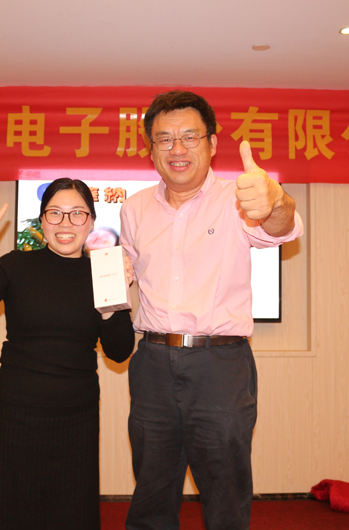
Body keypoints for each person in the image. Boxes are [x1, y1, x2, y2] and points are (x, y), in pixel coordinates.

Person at [119, 90, 304, 530]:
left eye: (189, 137)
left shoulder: (238, 200)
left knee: (225, 490)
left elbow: (284, 228)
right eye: (164, 139)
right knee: (151, 488)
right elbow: (125, 272)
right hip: (152, 362)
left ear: (212, 143)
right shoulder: (134, 208)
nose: (177, 149)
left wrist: (276, 201)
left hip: (219, 365)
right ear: (151, 149)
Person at [0, 178, 136, 530]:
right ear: (42, 220)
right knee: (13, 509)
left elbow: (120, 351)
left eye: (77, 214)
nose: (66, 223)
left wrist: (114, 299)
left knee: (71, 511)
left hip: (76, 414)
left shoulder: (103, 272)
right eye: (55, 213)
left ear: (91, 222)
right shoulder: (15, 265)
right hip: (17, 411)